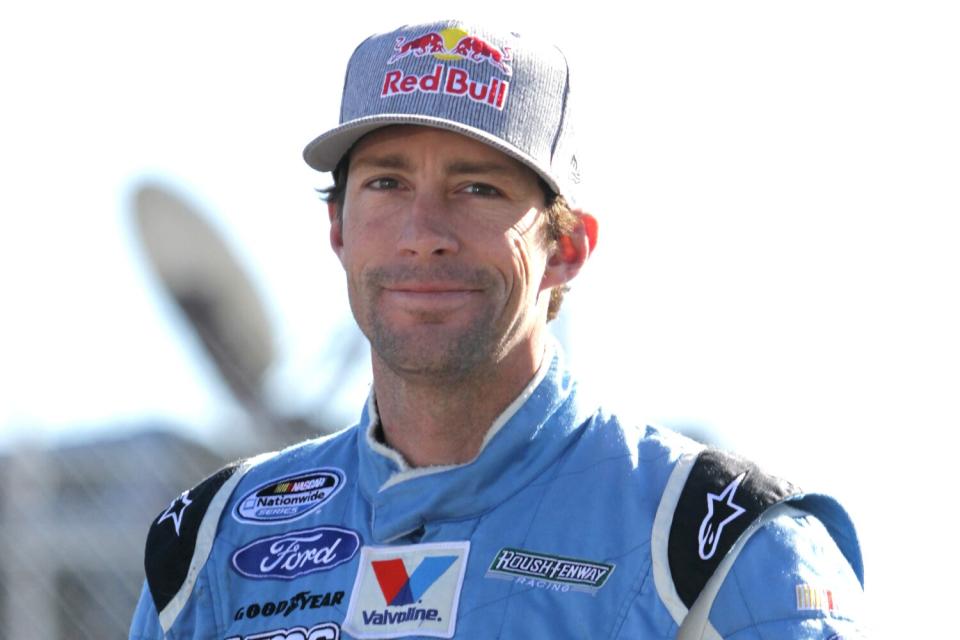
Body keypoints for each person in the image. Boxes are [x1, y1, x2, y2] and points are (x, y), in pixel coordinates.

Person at [129, 19, 866, 640]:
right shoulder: (213, 542)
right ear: (338, 230)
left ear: (568, 249)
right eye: (386, 183)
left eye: (477, 188)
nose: (423, 233)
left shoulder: (721, 542)